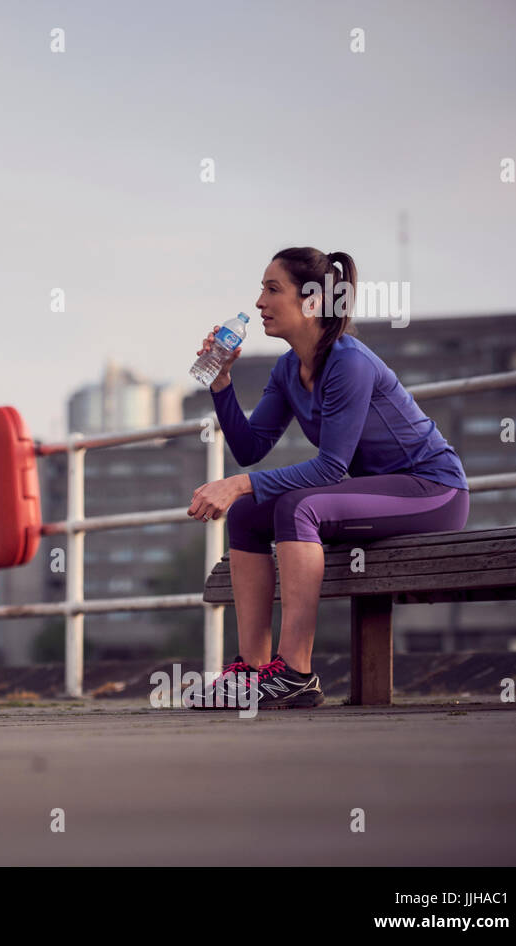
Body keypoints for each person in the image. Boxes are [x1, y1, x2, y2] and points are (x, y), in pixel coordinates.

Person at [185, 247, 470, 709]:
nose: (259, 301)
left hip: (433, 492)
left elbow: (330, 469)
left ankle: (295, 673)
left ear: (313, 302)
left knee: (298, 506)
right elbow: (250, 447)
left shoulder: (349, 363)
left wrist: (238, 482)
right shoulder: (287, 369)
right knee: (247, 515)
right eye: (261, 289)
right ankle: (254, 672)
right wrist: (221, 384)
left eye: (272, 289)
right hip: (374, 497)